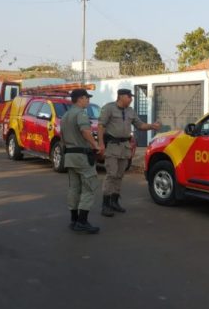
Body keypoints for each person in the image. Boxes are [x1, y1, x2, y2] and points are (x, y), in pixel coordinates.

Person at [98, 88, 161, 217]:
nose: (131, 99)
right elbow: (101, 126)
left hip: (125, 146)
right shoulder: (109, 108)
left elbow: (139, 125)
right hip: (112, 146)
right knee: (111, 174)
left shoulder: (130, 111)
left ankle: (114, 201)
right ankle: (106, 205)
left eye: (131, 97)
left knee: (120, 175)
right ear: (120, 96)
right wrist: (100, 143)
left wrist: (152, 126)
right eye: (129, 96)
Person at [62, 88, 104, 234]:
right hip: (81, 156)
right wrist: (96, 145)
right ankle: (82, 221)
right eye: (87, 98)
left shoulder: (66, 115)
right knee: (89, 187)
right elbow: (85, 131)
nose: (88, 101)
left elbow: (63, 138)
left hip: (69, 156)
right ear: (80, 99)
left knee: (74, 188)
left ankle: (74, 220)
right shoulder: (81, 114)